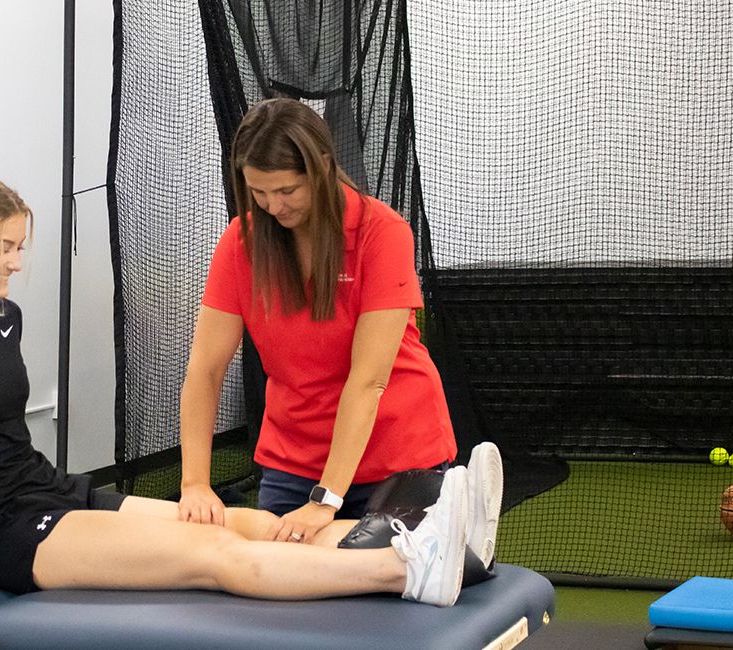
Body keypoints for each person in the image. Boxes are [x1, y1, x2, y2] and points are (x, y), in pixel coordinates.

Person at [0, 172, 476, 621]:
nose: (17, 263)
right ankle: (403, 569)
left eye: (21, 246)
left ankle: (428, 542)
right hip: (7, 534)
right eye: (3, 247)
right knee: (212, 560)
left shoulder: (2, 318)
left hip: (55, 493)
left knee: (240, 524)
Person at [177, 98, 500, 567]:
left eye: (287, 190)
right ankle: (450, 538)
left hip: (396, 455)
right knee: (279, 573)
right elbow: (205, 369)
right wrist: (194, 484)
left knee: (386, 571)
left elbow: (367, 381)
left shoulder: (383, 233)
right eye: (259, 193)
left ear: (323, 167)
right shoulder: (241, 241)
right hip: (294, 458)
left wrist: (327, 499)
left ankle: (462, 541)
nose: (273, 206)